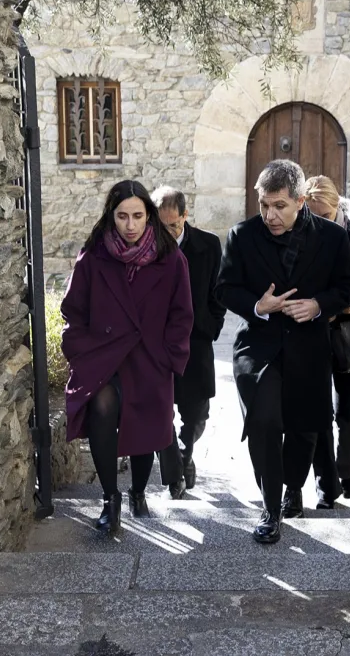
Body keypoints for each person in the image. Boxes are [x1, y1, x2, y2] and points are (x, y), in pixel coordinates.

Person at [216, 160, 350, 544]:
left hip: (310, 347)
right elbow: (225, 289)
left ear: (299, 201)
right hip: (257, 347)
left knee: (303, 428)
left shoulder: (331, 237)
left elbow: (348, 287)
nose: (270, 214)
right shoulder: (242, 235)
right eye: (264, 204)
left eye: (279, 205)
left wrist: (317, 305)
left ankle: (292, 486)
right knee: (263, 420)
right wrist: (259, 306)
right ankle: (270, 505)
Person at [60, 180, 194, 535]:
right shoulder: (93, 256)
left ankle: (137, 491)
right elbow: (74, 309)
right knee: (103, 409)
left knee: (143, 425)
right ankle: (110, 499)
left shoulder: (171, 259)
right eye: (122, 216)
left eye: (137, 215)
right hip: (103, 356)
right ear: (111, 215)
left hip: (149, 358)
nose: (130, 225)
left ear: (149, 216)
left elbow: (182, 315)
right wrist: (78, 349)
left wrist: (169, 358)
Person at [150, 185, 225, 499]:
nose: (167, 232)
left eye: (174, 225)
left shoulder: (209, 245)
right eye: (161, 225)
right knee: (158, 412)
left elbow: (218, 294)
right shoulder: (145, 246)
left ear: (185, 215)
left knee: (196, 414)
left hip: (196, 342)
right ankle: (175, 470)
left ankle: (185, 451)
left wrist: (209, 325)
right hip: (157, 345)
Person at [304, 175, 350, 509]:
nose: (319, 223)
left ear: (337, 206)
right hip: (314, 332)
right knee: (317, 411)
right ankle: (326, 484)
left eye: (324, 216)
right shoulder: (302, 234)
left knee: (349, 411)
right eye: (312, 216)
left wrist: (345, 303)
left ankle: (346, 469)